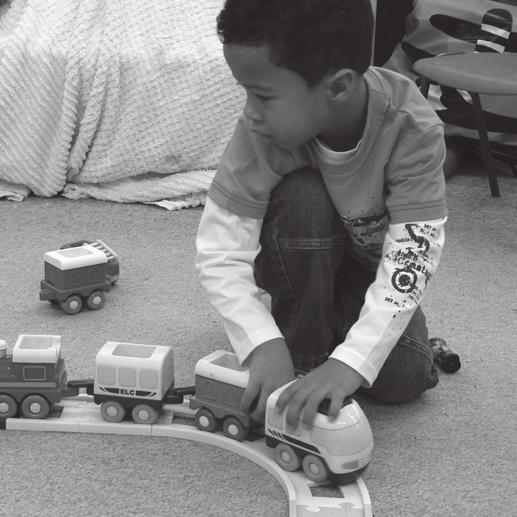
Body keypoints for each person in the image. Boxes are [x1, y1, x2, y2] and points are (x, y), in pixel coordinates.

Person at [195, 0, 447, 430]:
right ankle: (302, 347)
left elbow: (411, 260)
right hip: (297, 254)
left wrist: (350, 364)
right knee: (305, 196)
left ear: (338, 87)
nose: (251, 112)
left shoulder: (412, 128)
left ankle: (326, 332)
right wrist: (261, 342)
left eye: (263, 95)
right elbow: (220, 251)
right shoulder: (262, 131)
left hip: (367, 273)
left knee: (404, 377)